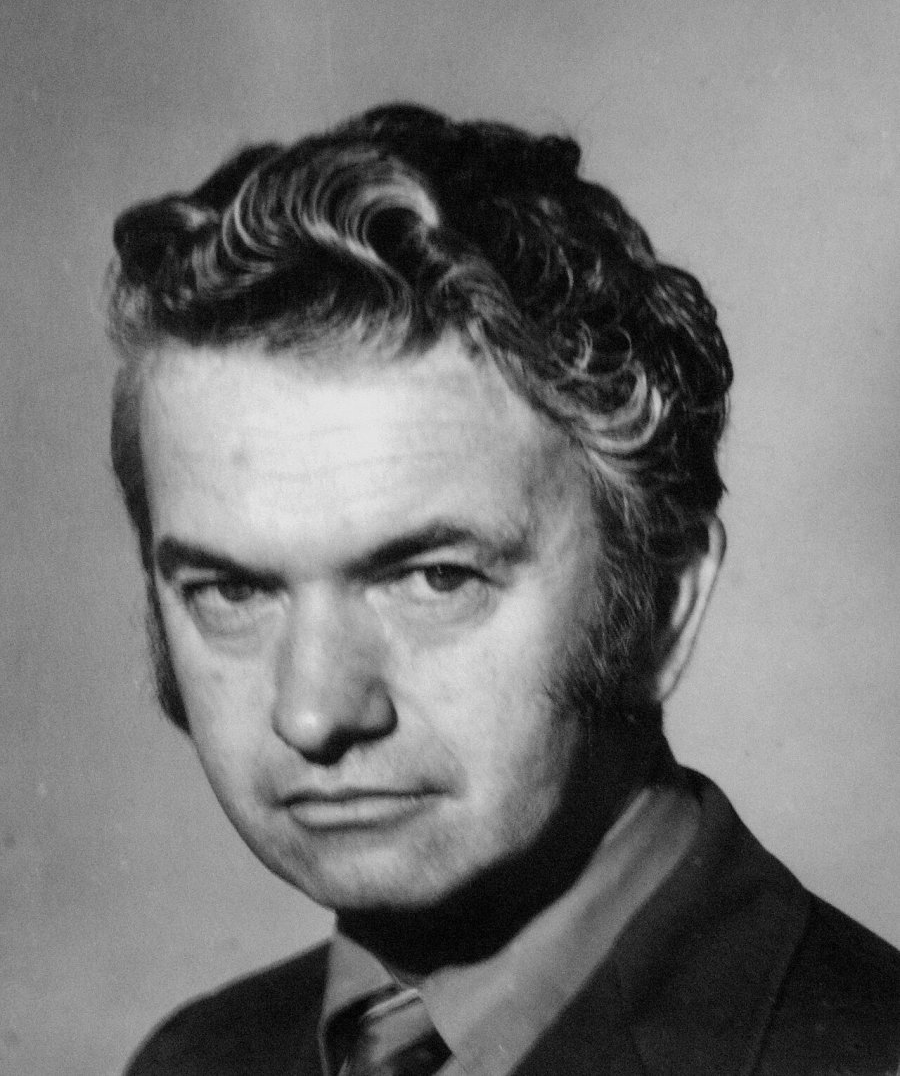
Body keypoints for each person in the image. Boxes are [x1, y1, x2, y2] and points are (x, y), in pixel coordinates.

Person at [107, 104, 900, 1076]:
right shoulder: (194, 1060)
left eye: (435, 577)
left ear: (663, 607)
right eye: (231, 590)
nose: (313, 712)